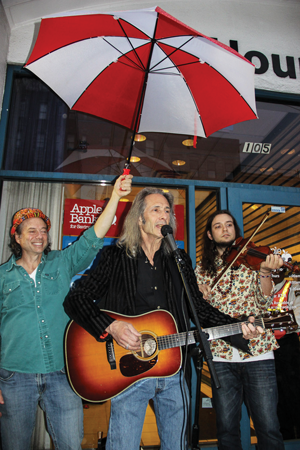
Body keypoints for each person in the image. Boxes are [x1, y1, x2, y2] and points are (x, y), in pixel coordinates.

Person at [63, 188, 259, 450]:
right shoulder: (115, 257)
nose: (164, 215)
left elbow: (197, 309)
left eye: (167, 210)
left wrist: (238, 325)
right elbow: (76, 299)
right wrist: (111, 326)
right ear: (139, 219)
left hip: (173, 370)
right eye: (156, 209)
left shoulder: (179, 260)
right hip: (128, 368)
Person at [0, 174, 132, 450]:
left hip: (62, 373)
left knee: (71, 444)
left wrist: (116, 197)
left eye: (43, 230)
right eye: (32, 231)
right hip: (14, 376)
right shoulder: (2, 277)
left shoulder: (61, 262)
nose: (40, 236)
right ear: (17, 236)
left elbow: (93, 236)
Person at [195, 209, 285, 450]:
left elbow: (265, 301)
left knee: (268, 427)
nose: (225, 229)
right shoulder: (201, 270)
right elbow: (197, 309)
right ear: (210, 235)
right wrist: (197, 291)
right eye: (218, 226)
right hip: (221, 355)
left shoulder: (252, 262)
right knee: (226, 428)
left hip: (259, 351)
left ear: (235, 231)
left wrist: (265, 272)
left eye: (229, 225)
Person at [271, 256, 300, 440]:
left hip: (288, 347)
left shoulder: (294, 288)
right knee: (276, 398)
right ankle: (285, 436)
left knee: (294, 394)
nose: (275, 272)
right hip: (268, 348)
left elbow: (297, 319)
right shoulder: (261, 286)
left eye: (279, 268)